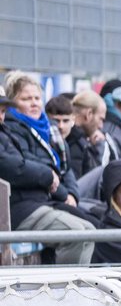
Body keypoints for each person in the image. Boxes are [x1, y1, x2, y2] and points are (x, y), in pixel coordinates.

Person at [0, 72, 95, 264]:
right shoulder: (13, 128)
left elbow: (62, 166)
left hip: (39, 201)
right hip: (23, 207)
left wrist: (71, 194)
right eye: (27, 98)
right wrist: (52, 181)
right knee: (77, 234)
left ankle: (75, 287)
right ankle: (65, 291)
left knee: (90, 230)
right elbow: (14, 166)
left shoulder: (43, 128)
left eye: (37, 98)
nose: (34, 103)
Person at [66, 91, 112, 178]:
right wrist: (100, 146)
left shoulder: (79, 140)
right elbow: (91, 180)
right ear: (89, 114)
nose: (101, 126)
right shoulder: (77, 143)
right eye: (101, 119)